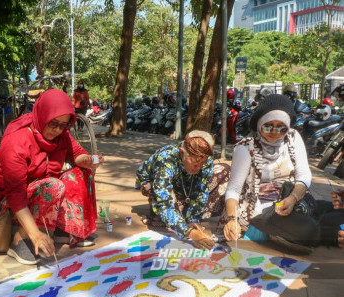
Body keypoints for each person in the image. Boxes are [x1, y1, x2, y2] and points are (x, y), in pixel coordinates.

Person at [0, 89, 103, 265]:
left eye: (64, 125)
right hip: (9, 205)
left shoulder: (62, 135)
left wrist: (87, 161)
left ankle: (63, 229)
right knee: (52, 186)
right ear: (42, 116)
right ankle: (20, 238)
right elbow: (15, 195)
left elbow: (75, 153)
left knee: (79, 173)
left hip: (40, 195)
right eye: (54, 123)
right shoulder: (17, 141)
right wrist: (36, 235)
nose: (58, 130)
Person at [220, 94, 317, 253]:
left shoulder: (293, 138)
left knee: (331, 218)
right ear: (259, 125)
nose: (274, 131)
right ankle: (271, 231)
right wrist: (231, 219)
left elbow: (304, 176)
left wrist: (292, 199)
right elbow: (234, 189)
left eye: (281, 127)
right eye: (268, 126)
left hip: (290, 200)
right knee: (308, 229)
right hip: (259, 207)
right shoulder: (246, 148)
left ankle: (280, 233)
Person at [135, 130, 231, 250]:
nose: (198, 167)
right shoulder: (165, 158)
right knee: (161, 201)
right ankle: (163, 216)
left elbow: (201, 191)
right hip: (157, 184)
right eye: (194, 163)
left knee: (225, 169)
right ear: (182, 152)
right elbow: (164, 201)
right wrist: (190, 233)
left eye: (202, 163)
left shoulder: (206, 159)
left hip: (185, 186)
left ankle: (182, 215)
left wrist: (193, 221)